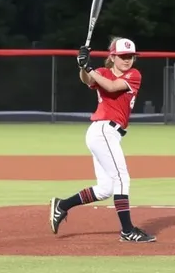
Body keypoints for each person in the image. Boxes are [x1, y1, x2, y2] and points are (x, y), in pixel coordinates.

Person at [49, 37, 156, 243]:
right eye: (123, 56)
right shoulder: (102, 72)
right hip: (103, 131)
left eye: (131, 56)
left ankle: (62, 205)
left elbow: (112, 87)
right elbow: (88, 80)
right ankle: (127, 231)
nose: (127, 60)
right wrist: (82, 66)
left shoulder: (134, 74)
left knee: (106, 188)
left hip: (108, 134)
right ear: (113, 56)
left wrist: (88, 67)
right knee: (122, 179)